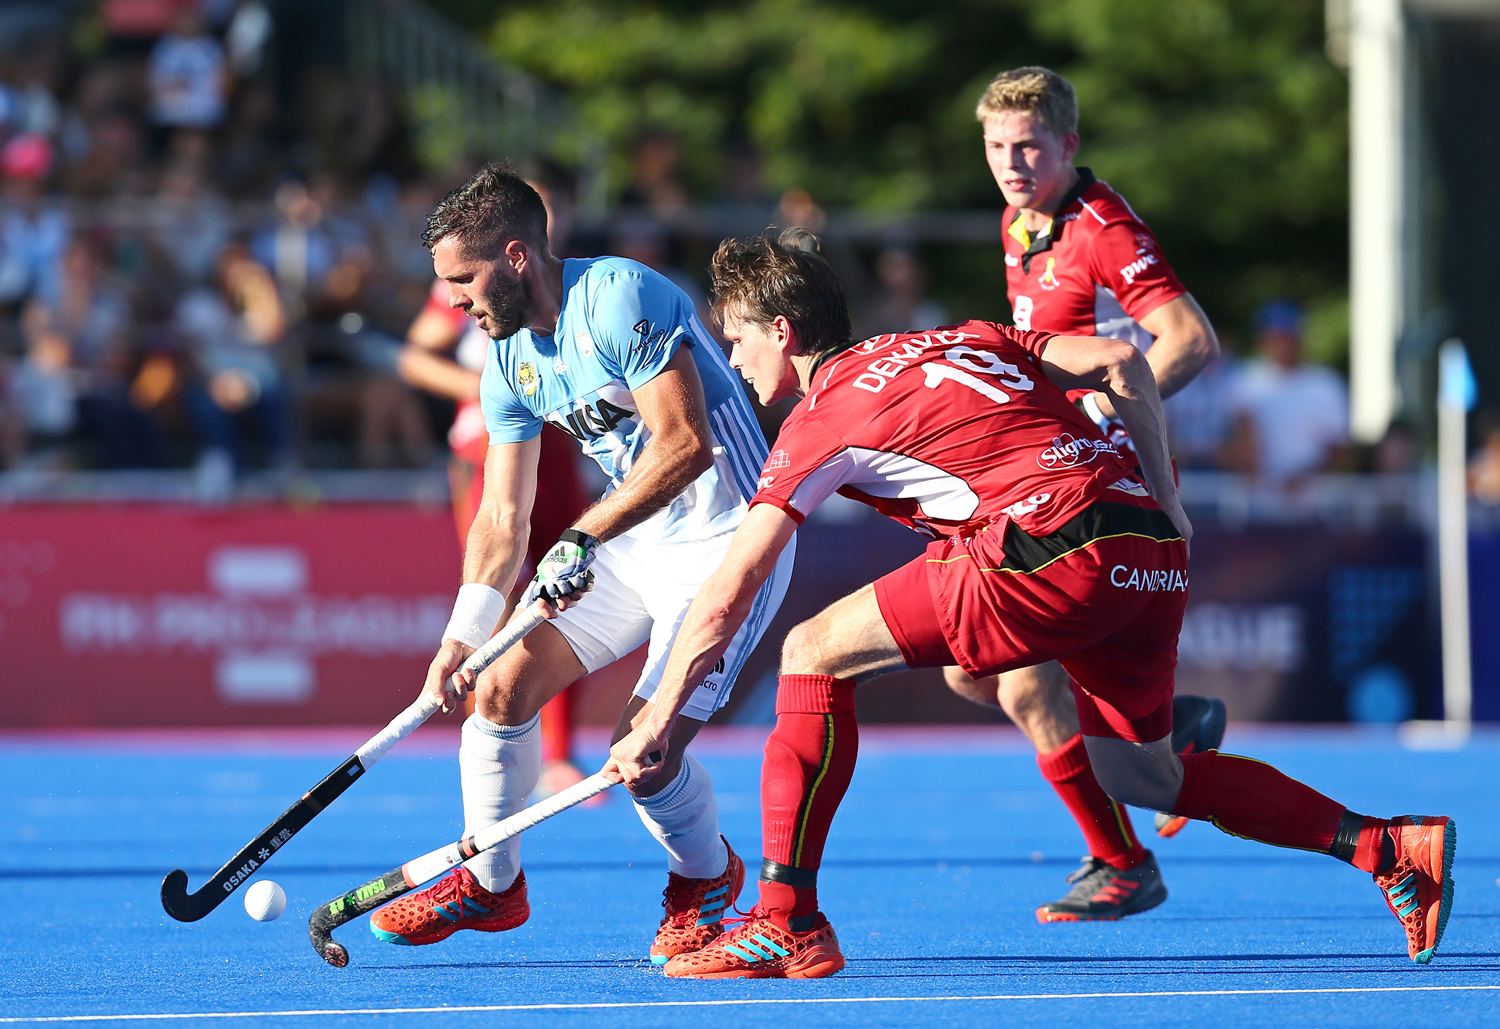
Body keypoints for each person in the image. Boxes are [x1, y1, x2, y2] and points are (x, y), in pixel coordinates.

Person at [607, 228, 1456, 978]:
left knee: (811, 651)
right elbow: (1123, 361)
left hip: (1050, 544)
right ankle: (1388, 845)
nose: (734, 359)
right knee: (1144, 773)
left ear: (781, 331)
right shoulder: (958, 336)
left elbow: (731, 587)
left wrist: (659, 711)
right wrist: (1169, 501)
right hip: (1146, 544)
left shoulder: (820, 416)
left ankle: (787, 920)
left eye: (737, 339)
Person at [368, 163, 796, 965]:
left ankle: (705, 879)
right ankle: (492, 884)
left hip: (735, 537)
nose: (454, 301)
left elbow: (685, 446)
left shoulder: (619, 296)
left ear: (518, 257)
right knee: (496, 687)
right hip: (635, 541)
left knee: (645, 751)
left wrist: (583, 535)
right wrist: (463, 635)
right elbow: (501, 516)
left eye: (463, 279)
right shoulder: (504, 359)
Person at [939, 66, 1226, 920]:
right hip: (1049, 482)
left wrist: (1104, 411)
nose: (1010, 162)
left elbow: (1189, 340)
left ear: (1069, 144)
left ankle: (1123, 852)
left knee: (1012, 678)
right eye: (995, 147)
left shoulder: (1101, 226)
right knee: (975, 672)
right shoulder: (1018, 221)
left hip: (1107, 491)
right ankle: (1164, 732)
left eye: (1028, 145)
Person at [399, 275, 591, 795]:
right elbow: (415, 359)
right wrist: (489, 385)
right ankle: (502, 735)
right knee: (502, 589)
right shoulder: (466, 289)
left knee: (567, 582)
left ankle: (558, 751)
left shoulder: (576, 285)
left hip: (557, 440)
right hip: (489, 437)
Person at [1222, 299, 1350, 483]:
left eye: (1288, 336)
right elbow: (1229, 441)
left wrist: (1305, 478)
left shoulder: (1326, 384)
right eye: (1276, 337)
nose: (1283, 344)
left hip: (1314, 503)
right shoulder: (1242, 381)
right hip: (1252, 501)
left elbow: (1340, 450)